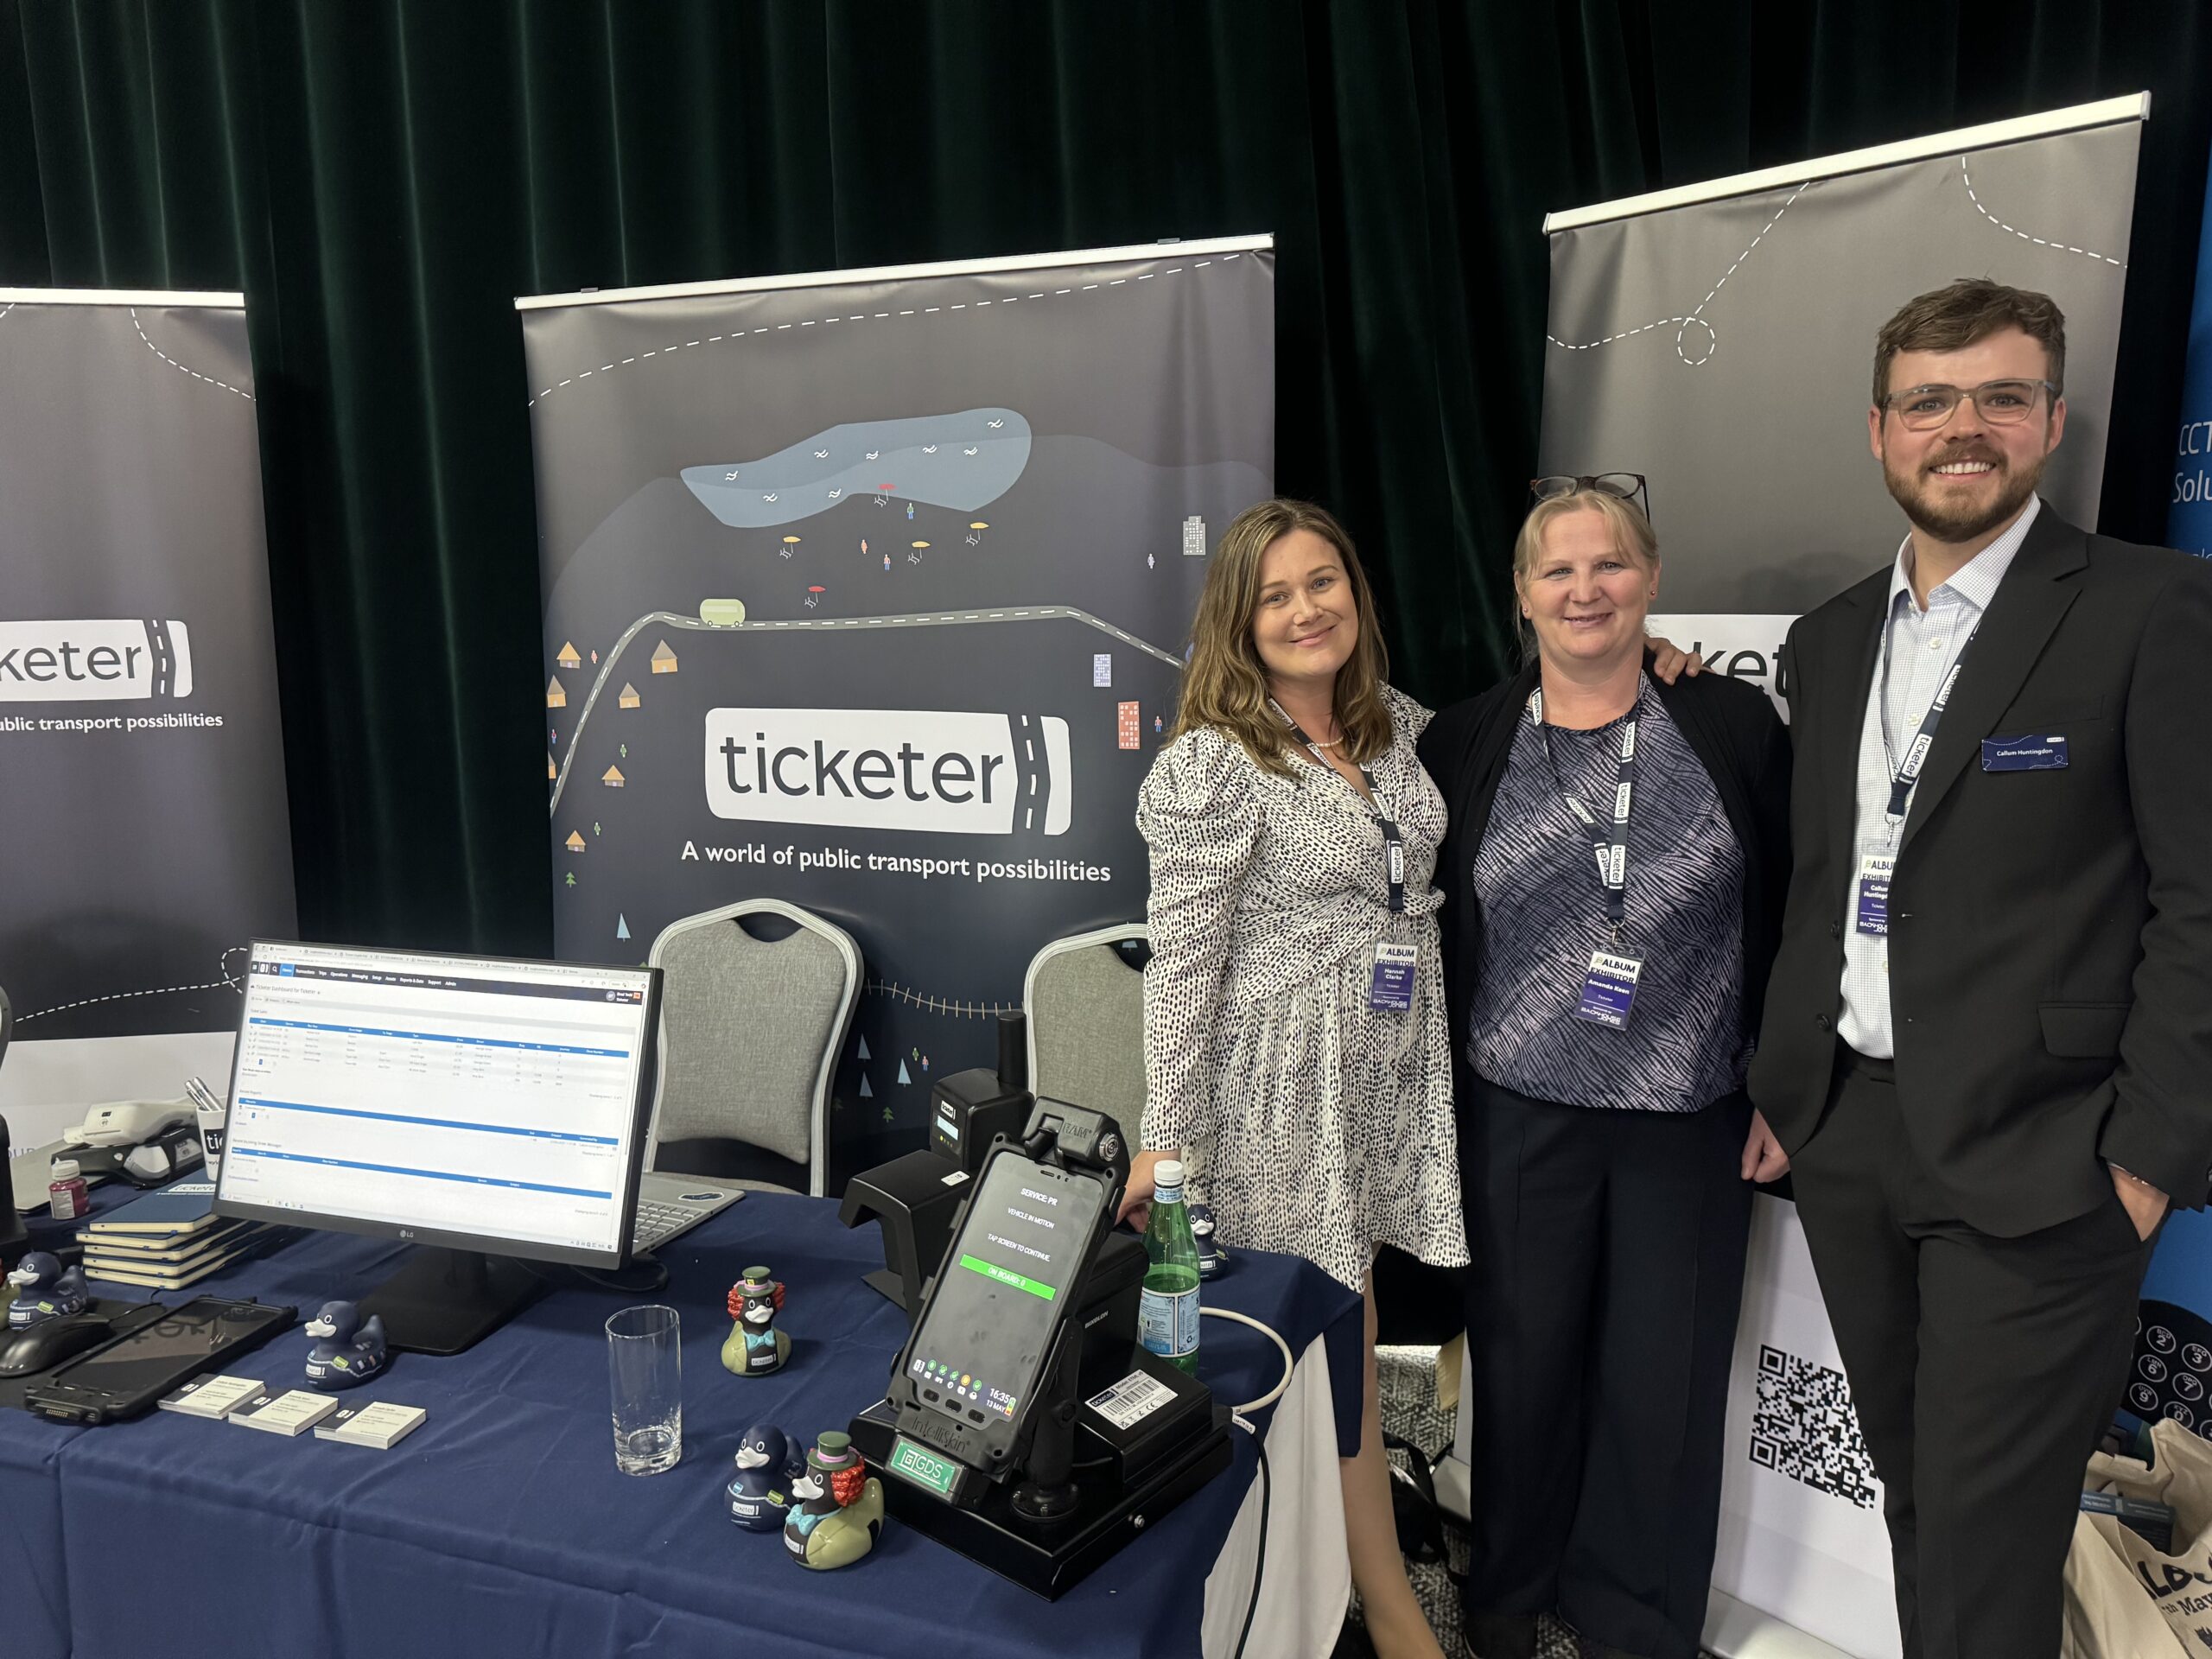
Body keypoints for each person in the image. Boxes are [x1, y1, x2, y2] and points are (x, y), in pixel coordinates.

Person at [1738, 278, 2212, 1658]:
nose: (1965, 428)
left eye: (2001, 397)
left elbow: (2202, 899)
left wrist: (2144, 1159)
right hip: (1855, 1133)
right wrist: (1793, 1078)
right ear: (1879, 432)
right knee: (1921, 1497)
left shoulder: (2150, 609)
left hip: (2050, 1158)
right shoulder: (1831, 642)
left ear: (2053, 420)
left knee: (1986, 1522)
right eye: (1930, 401)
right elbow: (1824, 875)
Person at [1419, 480, 1791, 1659]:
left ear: (1652, 578)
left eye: (1610, 566)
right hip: (1519, 1108)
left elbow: (1798, 905)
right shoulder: (1464, 737)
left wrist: (1785, 1078)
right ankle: (1512, 1597)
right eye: (1558, 571)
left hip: (1690, 1113)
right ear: (1522, 595)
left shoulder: (1731, 726)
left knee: (1664, 1386)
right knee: (1523, 1371)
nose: (1586, 589)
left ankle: (1636, 1618)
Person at [1128, 497, 1467, 1659]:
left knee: (1353, 1329)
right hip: (1272, 1091)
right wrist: (1165, 1135)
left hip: (1379, 1078)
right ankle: (1337, 1596)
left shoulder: (1395, 730)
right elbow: (1183, 964)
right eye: (1275, 594)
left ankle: (1358, 1576)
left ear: (1355, 596)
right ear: (1241, 620)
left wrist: (1656, 660)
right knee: (1301, 1342)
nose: (1305, 608)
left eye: (1323, 581)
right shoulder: (1215, 764)